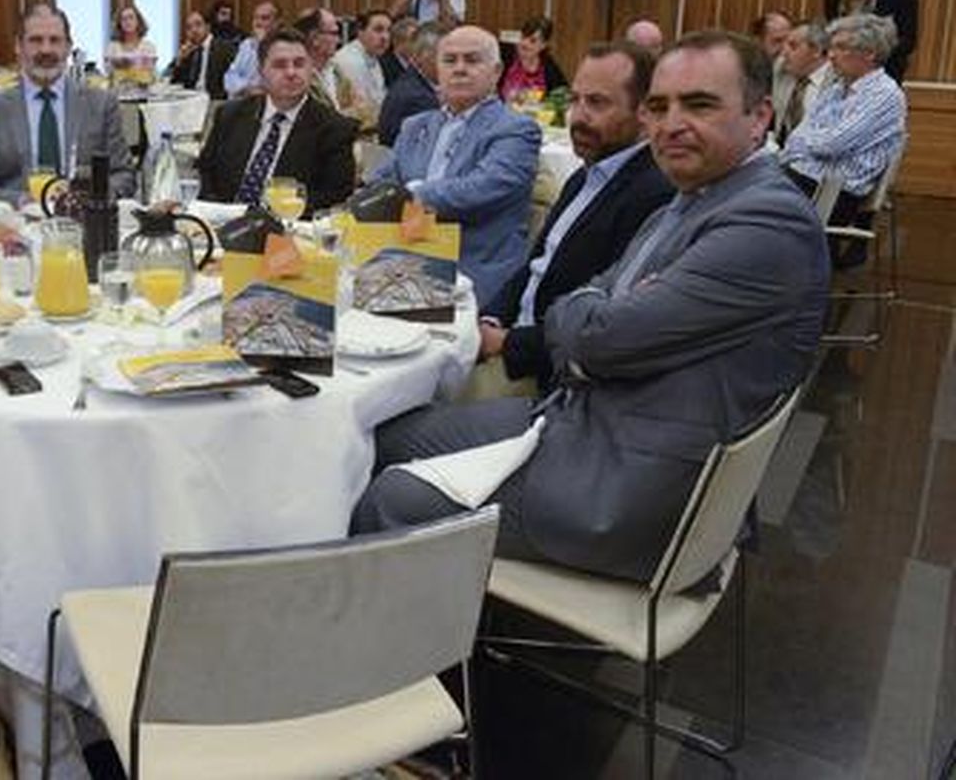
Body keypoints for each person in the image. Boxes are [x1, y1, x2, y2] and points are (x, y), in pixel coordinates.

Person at [353, 30, 829, 584]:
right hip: (586, 414)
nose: (671, 124)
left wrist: (595, 314)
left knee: (393, 497)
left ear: (759, 117)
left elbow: (598, 337)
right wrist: (598, 310)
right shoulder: (692, 199)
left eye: (699, 105)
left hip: (636, 481)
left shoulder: (766, 223)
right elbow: (592, 302)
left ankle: (400, 635)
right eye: (659, 107)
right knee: (385, 436)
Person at [478, 43, 673, 391]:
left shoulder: (654, 194)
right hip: (508, 338)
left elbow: (611, 322)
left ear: (644, 111)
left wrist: (506, 344)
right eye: (575, 100)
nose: (579, 117)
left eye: (597, 103)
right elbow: (537, 265)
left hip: (550, 372)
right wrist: (491, 319)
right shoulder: (584, 177)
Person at [367, 25, 541, 307]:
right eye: (449, 60)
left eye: (472, 60)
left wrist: (412, 195)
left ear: (496, 72)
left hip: (469, 268)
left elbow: (480, 188)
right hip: (402, 260)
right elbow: (379, 184)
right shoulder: (415, 126)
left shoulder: (516, 129)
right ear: (437, 70)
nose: (459, 69)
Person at [0, 5, 135, 208]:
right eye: (35, 40)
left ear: (68, 47)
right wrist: (20, 202)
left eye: (55, 40)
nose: (46, 50)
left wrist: (90, 198)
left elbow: (124, 176)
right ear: (18, 46)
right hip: (16, 221)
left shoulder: (102, 104)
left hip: (83, 219)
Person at [197, 28, 356, 212]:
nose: (291, 72)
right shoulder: (229, 115)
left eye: (299, 64)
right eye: (280, 65)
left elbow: (334, 198)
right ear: (261, 71)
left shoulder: (335, 129)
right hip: (223, 221)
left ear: (310, 69)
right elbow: (206, 174)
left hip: (289, 225)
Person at [780, 13, 907, 245]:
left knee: (752, 195)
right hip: (806, 178)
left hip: (836, 194)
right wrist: (811, 143)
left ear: (869, 53)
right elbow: (795, 138)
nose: (830, 55)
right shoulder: (837, 89)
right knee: (747, 181)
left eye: (841, 47)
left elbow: (831, 145)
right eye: (831, 47)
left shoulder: (884, 94)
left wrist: (808, 143)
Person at [377, 19, 441, 147]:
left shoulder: (411, 82)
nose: (454, 68)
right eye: (448, 59)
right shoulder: (419, 98)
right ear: (422, 57)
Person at [771, 19, 834, 146]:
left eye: (793, 46)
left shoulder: (837, 82)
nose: (784, 53)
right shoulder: (781, 70)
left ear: (816, 51)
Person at [328, 9, 392, 129]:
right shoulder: (350, 61)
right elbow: (362, 111)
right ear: (360, 31)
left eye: (388, 31)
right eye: (378, 30)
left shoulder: (373, 56)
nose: (385, 37)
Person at [168, 10, 236, 98]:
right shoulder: (189, 51)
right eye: (189, 27)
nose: (194, 30)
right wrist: (179, 60)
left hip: (215, 100)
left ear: (208, 27)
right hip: (191, 99)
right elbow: (175, 83)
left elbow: (232, 81)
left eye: (198, 24)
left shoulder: (224, 48)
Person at [499, 14, 566, 103]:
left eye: (532, 41)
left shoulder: (549, 68)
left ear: (543, 45)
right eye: (523, 37)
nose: (524, 43)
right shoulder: (506, 56)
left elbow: (563, 94)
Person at [222, 0, 280, 96]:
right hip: (243, 95)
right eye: (255, 18)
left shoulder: (282, 46)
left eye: (264, 18)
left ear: (276, 23)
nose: (258, 23)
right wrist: (247, 88)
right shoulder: (247, 44)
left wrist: (262, 45)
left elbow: (272, 79)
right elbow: (230, 77)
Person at [293, 8, 343, 109]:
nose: (339, 40)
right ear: (315, 38)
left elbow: (364, 109)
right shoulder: (298, 77)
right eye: (334, 33)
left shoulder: (336, 71)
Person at [105, 5, 158, 77]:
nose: (128, 22)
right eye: (124, 19)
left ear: (138, 21)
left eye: (131, 17)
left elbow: (151, 73)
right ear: (119, 23)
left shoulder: (149, 47)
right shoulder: (112, 47)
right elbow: (109, 73)